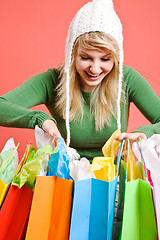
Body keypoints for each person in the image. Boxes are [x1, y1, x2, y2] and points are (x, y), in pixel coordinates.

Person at [0, 0, 160, 163]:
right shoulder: (52, 81)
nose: (95, 69)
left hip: (113, 178)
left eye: (105, 59)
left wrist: (143, 133)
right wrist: (40, 119)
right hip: (65, 176)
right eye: (85, 58)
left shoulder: (127, 79)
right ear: (72, 53)